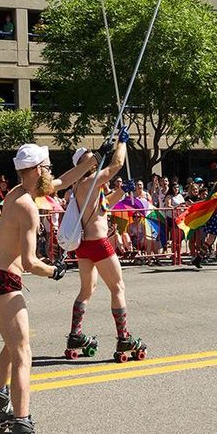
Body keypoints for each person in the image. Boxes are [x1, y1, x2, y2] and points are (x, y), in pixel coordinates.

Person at [0, 143, 89, 434]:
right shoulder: (27, 205)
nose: (51, 171)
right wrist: (55, 271)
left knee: (11, 345)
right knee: (24, 352)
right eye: (48, 166)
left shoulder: (16, 192)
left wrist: (90, 163)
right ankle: (22, 421)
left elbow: (62, 182)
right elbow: (29, 262)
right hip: (4, 281)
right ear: (38, 169)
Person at [66, 131, 145, 364]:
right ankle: (124, 338)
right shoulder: (89, 181)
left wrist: (121, 191)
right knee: (118, 287)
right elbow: (117, 164)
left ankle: (75, 335)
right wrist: (122, 142)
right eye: (89, 158)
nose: (94, 160)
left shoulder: (88, 186)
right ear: (82, 164)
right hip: (98, 244)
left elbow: (103, 207)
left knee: (87, 290)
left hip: (85, 246)